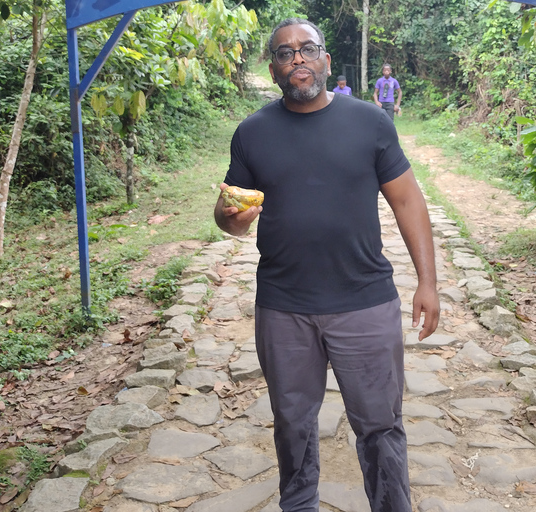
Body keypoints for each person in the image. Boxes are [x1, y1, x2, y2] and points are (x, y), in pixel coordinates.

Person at [213, 17, 439, 512]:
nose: (297, 58)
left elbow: (408, 202)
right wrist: (231, 217)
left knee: (380, 425)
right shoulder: (252, 133)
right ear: (272, 68)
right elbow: (231, 217)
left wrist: (428, 282)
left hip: (365, 302)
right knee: (292, 423)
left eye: (307, 48)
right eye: (284, 52)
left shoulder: (371, 122)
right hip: (284, 306)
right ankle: (299, 505)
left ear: (325, 60)